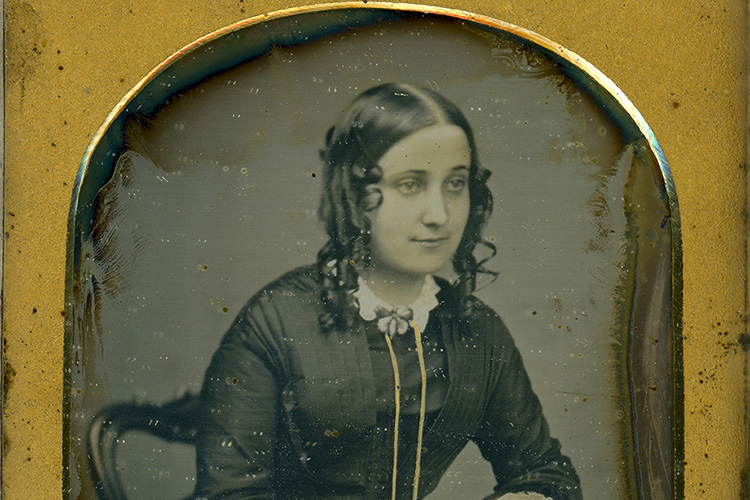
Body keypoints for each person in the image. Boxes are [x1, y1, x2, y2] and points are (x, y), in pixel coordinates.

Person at [193, 83, 582, 500]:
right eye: (412, 184)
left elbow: (545, 471)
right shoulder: (276, 321)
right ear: (358, 197)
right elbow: (229, 494)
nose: (439, 215)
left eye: (455, 184)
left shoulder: (478, 332)